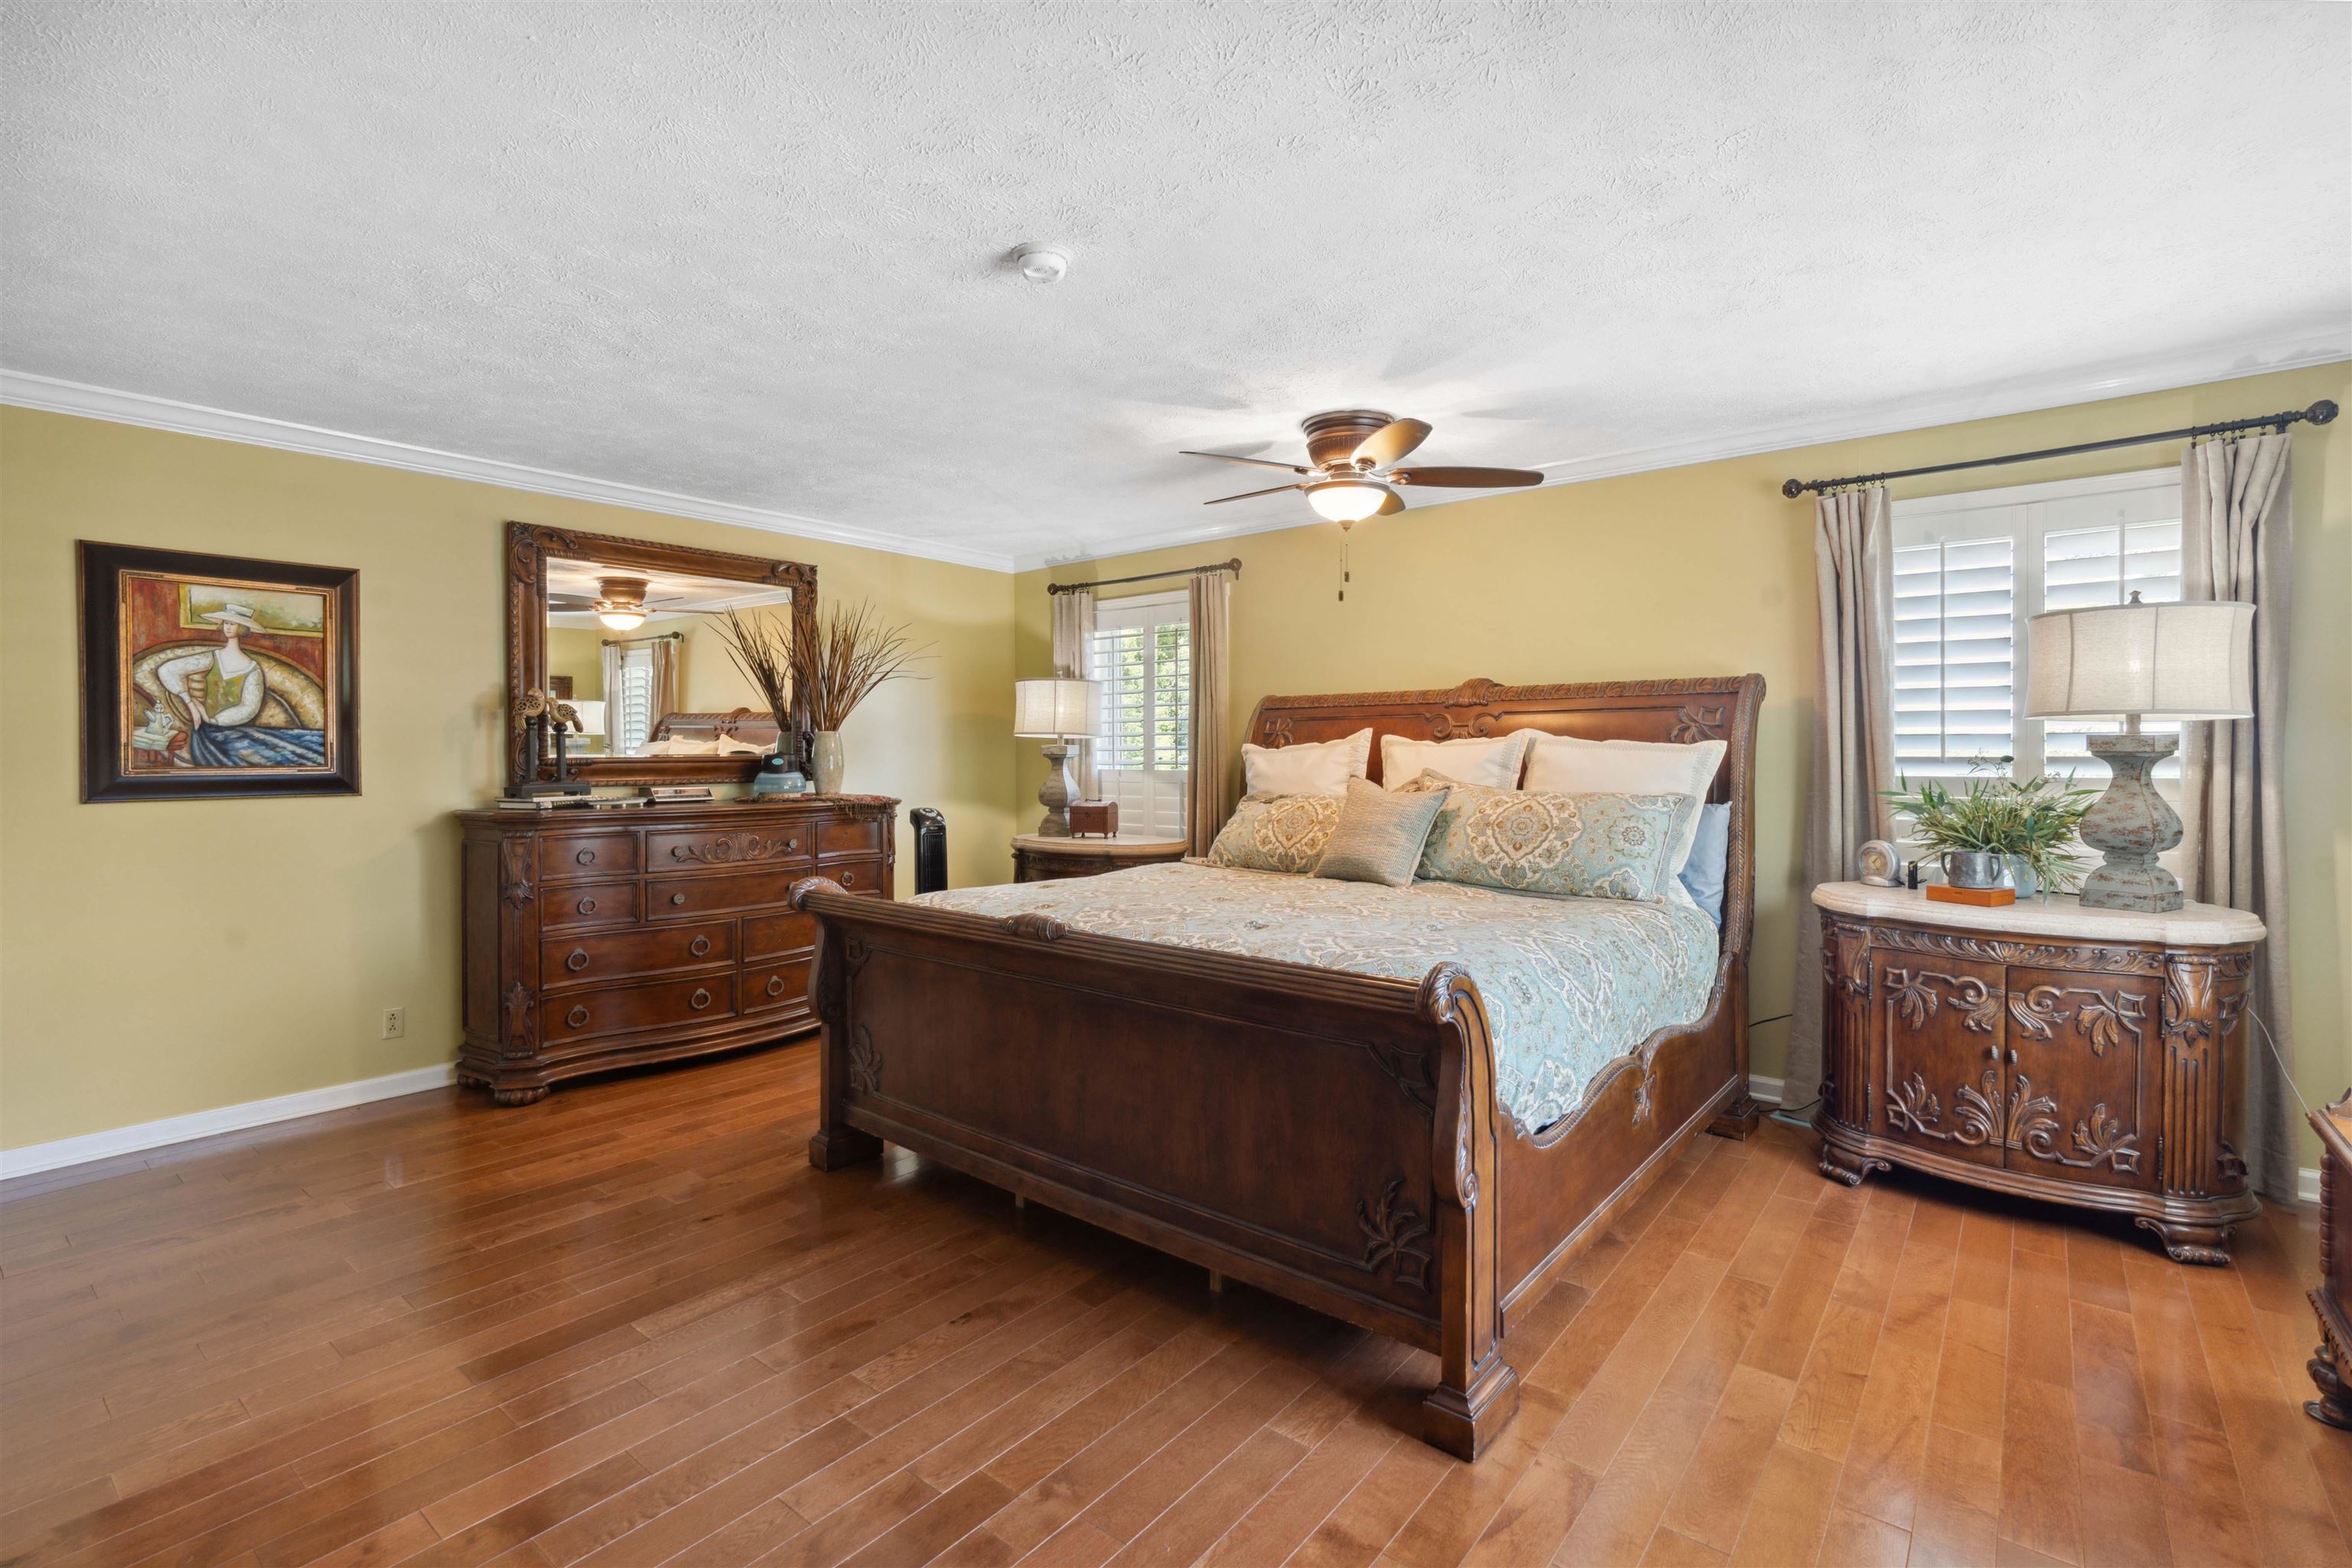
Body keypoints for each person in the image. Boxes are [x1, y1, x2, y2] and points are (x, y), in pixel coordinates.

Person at [139, 604, 328, 767]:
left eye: (233, 624)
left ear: (242, 628)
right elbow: (168, 670)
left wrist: (215, 720)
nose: (228, 627)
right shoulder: (212, 658)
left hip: (231, 731)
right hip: (204, 732)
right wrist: (190, 703)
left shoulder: (252, 670)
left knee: (280, 752)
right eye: (227, 623)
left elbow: (249, 708)